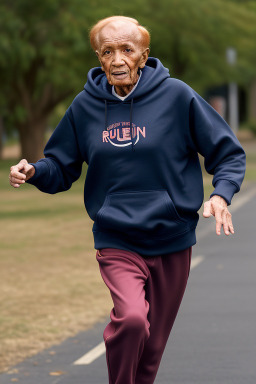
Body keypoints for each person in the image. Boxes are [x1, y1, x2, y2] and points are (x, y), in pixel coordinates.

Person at [9, 16, 246, 384]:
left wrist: (221, 194)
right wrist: (35, 171)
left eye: (126, 49)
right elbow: (61, 166)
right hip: (116, 236)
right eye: (107, 51)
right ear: (98, 58)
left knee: (151, 352)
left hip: (172, 238)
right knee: (133, 319)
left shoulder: (178, 97)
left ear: (143, 55)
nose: (117, 59)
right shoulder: (85, 107)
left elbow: (228, 153)